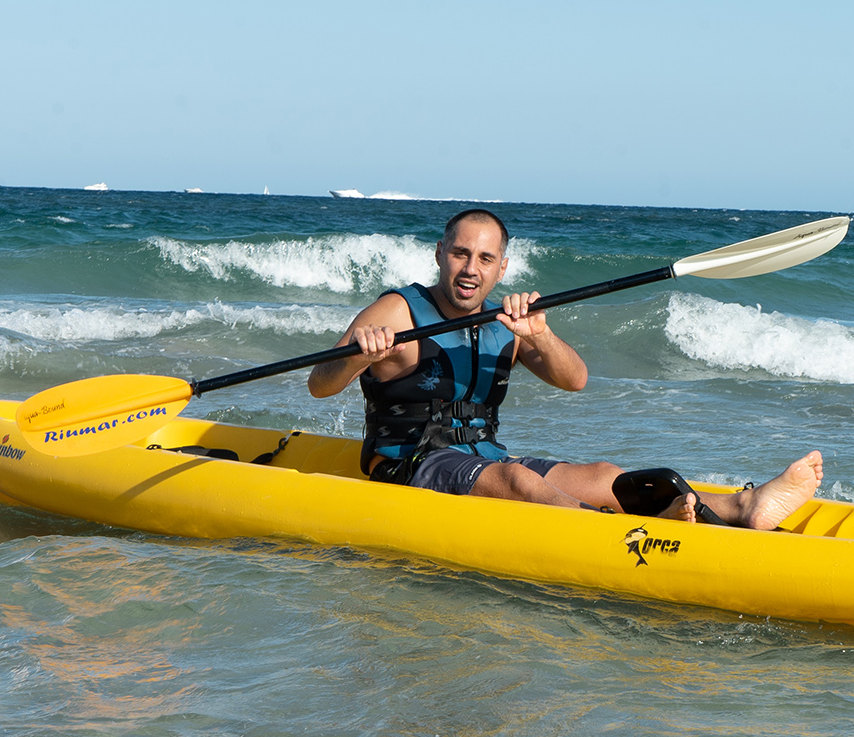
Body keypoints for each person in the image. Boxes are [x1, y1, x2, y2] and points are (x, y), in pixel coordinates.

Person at [307, 208, 823, 527]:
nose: (470, 269)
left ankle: (742, 507)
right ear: (440, 254)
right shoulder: (397, 312)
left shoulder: (503, 322)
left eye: (485, 259)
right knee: (518, 482)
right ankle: (623, 531)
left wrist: (541, 335)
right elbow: (319, 386)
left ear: (502, 267)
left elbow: (575, 379)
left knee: (603, 475)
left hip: (482, 455)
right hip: (412, 467)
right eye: (460, 254)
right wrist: (360, 355)